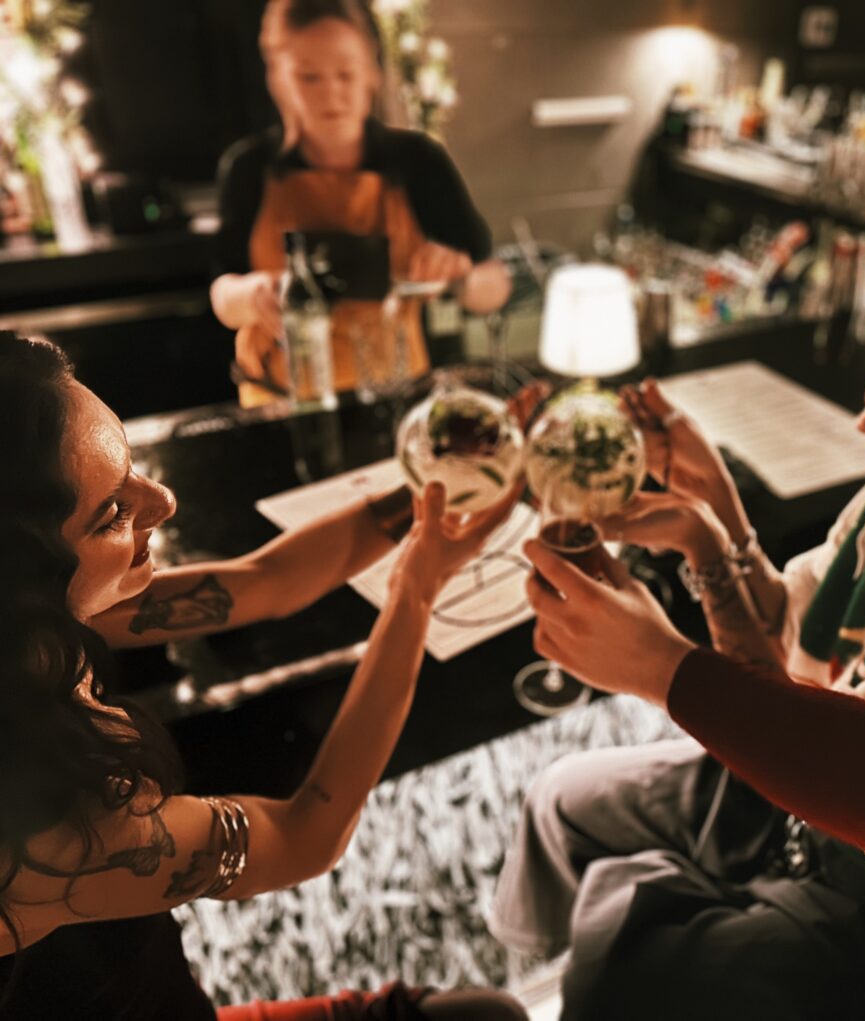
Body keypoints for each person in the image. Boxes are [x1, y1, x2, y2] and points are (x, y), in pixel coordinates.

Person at [490, 237, 865, 1020]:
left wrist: (662, 663)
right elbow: (792, 650)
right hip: (803, 798)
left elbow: (812, 747)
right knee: (561, 796)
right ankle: (522, 978)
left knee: (622, 952)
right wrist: (710, 512)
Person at [0, 331, 527, 1021]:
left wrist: (446, 482)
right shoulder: (60, 832)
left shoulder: (31, 630)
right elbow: (308, 834)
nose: (161, 501)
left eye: (132, 468)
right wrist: (417, 593)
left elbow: (265, 581)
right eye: (114, 513)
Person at [210, 0, 511, 406]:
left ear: (372, 72)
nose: (331, 94)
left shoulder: (418, 160)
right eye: (308, 77)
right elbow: (221, 296)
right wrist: (249, 294)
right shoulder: (248, 168)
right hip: (280, 404)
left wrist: (460, 277)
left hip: (398, 398)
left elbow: (495, 286)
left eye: (346, 74)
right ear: (277, 78)